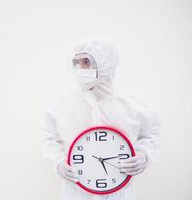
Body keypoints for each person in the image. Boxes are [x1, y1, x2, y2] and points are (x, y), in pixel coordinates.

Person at [41, 37, 161, 200]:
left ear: (105, 63)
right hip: (76, 190)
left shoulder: (132, 105)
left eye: (86, 62)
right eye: (77, 63)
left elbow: (150, 134)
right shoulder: (62, 105)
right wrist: (58, 162)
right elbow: (49, 138)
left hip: (119, 190)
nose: (81, 68)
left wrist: (143, 155)